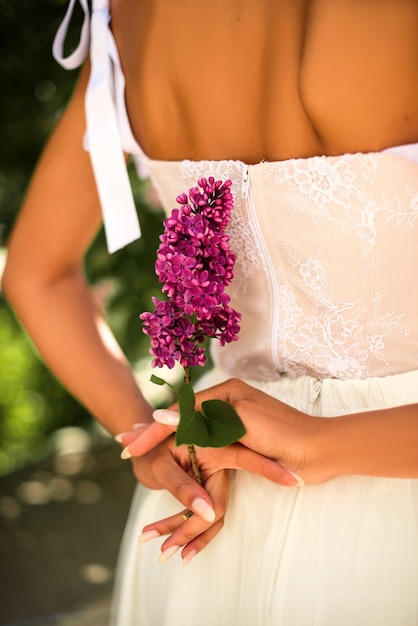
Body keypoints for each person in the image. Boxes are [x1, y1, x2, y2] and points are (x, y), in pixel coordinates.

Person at [3, 0, 418, 624]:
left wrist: (145, 438)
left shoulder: (124, 21)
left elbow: (36, 273)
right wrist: (318, 442)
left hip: (218, 513)